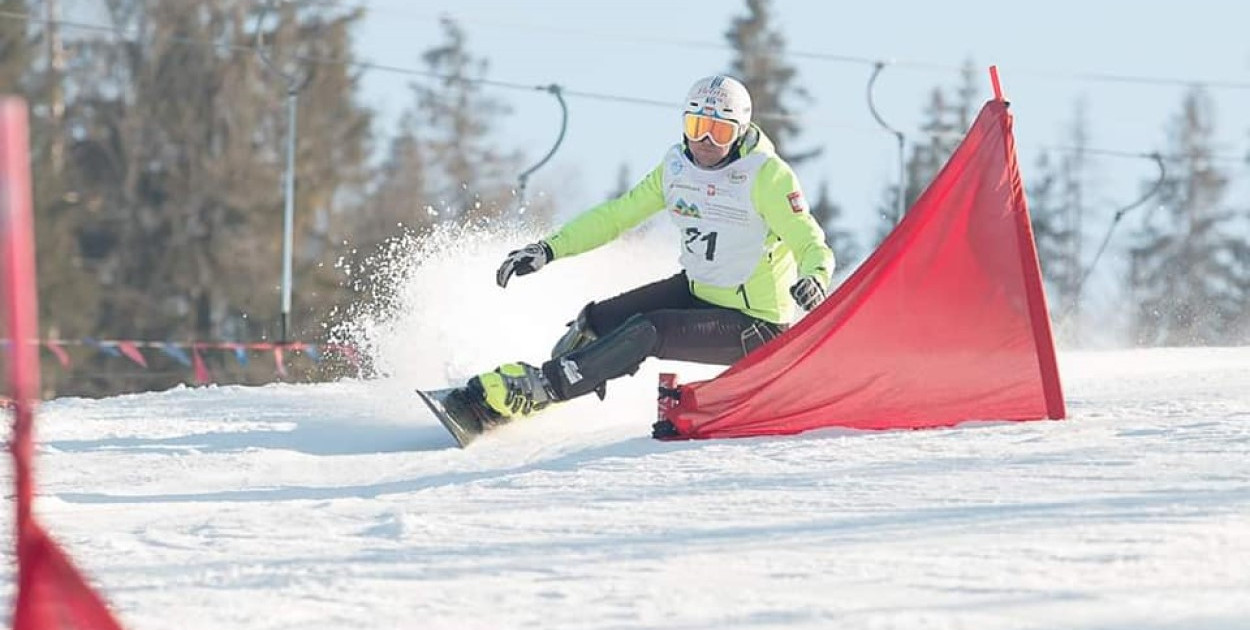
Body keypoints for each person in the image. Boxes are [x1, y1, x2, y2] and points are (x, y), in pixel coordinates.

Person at [457, 75, 835, 433]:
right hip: (698, 291)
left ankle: (544, 387)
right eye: (695, 126)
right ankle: (533, 399)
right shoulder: (676, 167)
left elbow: (809, 241)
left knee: (647, 332)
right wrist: (548, 248)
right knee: (594, 324)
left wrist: (815, 277)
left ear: (739, 132)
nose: (704, 140)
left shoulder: (766, 176)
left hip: (755, 324)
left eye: (718, 131)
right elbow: (617, 215)